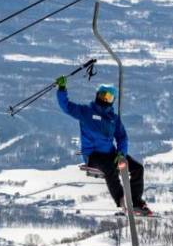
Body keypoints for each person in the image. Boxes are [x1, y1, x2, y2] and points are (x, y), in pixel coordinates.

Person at [55, 77, 152, 216]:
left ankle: (135, 201)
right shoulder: (86, 112)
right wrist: (62, 89)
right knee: (110, 169)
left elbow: (122, 137)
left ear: (113, 100)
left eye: (109, 97)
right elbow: (67, 107)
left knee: (137, 168)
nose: (105, 99)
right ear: (97, 95)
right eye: (103, 95)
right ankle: (122, 200)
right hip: (93, 155)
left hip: (111, 153)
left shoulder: (113, 118)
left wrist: (121, 154)